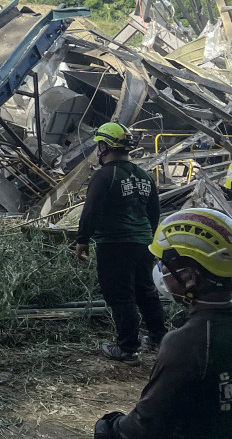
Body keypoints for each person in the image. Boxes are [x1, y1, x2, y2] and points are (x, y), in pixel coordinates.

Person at [94, 208, 232, 438]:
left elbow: (142, 429)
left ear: (188, 277)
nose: (159, 270)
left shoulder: (189, 343)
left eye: (163, 262)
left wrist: (109, 425)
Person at [75, 122, 166, 364]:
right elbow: (154, 213)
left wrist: (82, 239)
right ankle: (159, 339)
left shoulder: (104, 175)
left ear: (104, 146)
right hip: (144, 243)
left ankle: (127, 348)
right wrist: (149, 239)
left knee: (121, 296)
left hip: (115, 245)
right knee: (146, 292)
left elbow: (91, 211)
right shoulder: (144, 176)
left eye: (99, 145)